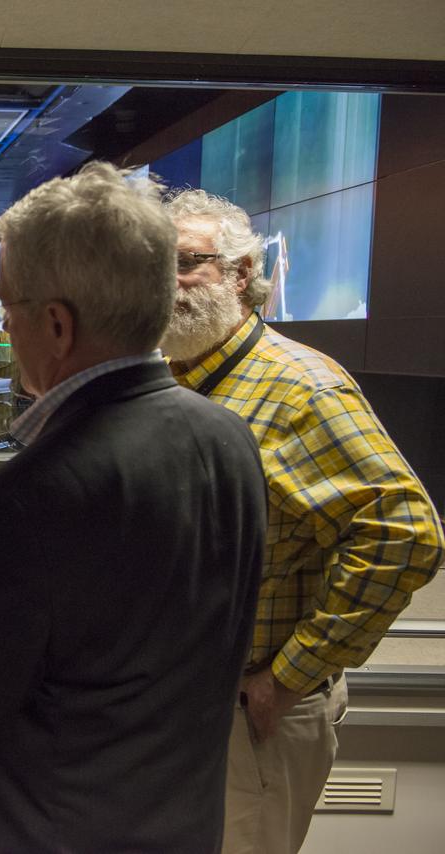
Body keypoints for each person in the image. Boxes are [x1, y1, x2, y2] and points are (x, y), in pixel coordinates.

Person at [0, 162, 267, 852]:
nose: (2, 326)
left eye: (7, 307)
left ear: (56, 324)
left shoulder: (25, 500)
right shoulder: (229, 440)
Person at [162, 189, 445, 854]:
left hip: (247, 718)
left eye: (187, 263)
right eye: (154, 265)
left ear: (241, 275)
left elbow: (405, 534)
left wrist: (288, 677)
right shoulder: (180, 378)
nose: (167, 282)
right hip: (178, 711)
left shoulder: (300, 388)